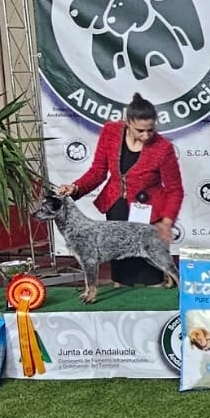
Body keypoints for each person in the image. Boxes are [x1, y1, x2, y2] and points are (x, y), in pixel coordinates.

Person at [57, 92, 184, 286]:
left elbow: (175, 190)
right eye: (140, 130)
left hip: (149, 214)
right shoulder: (110, 132)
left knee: (151, 278)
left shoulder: (163, 148)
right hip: (116, 209)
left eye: (151, 130)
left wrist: (167, 222)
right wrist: (75, 187)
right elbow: (98, 171)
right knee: (122, 278)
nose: (146, 135)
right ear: (128, 122)